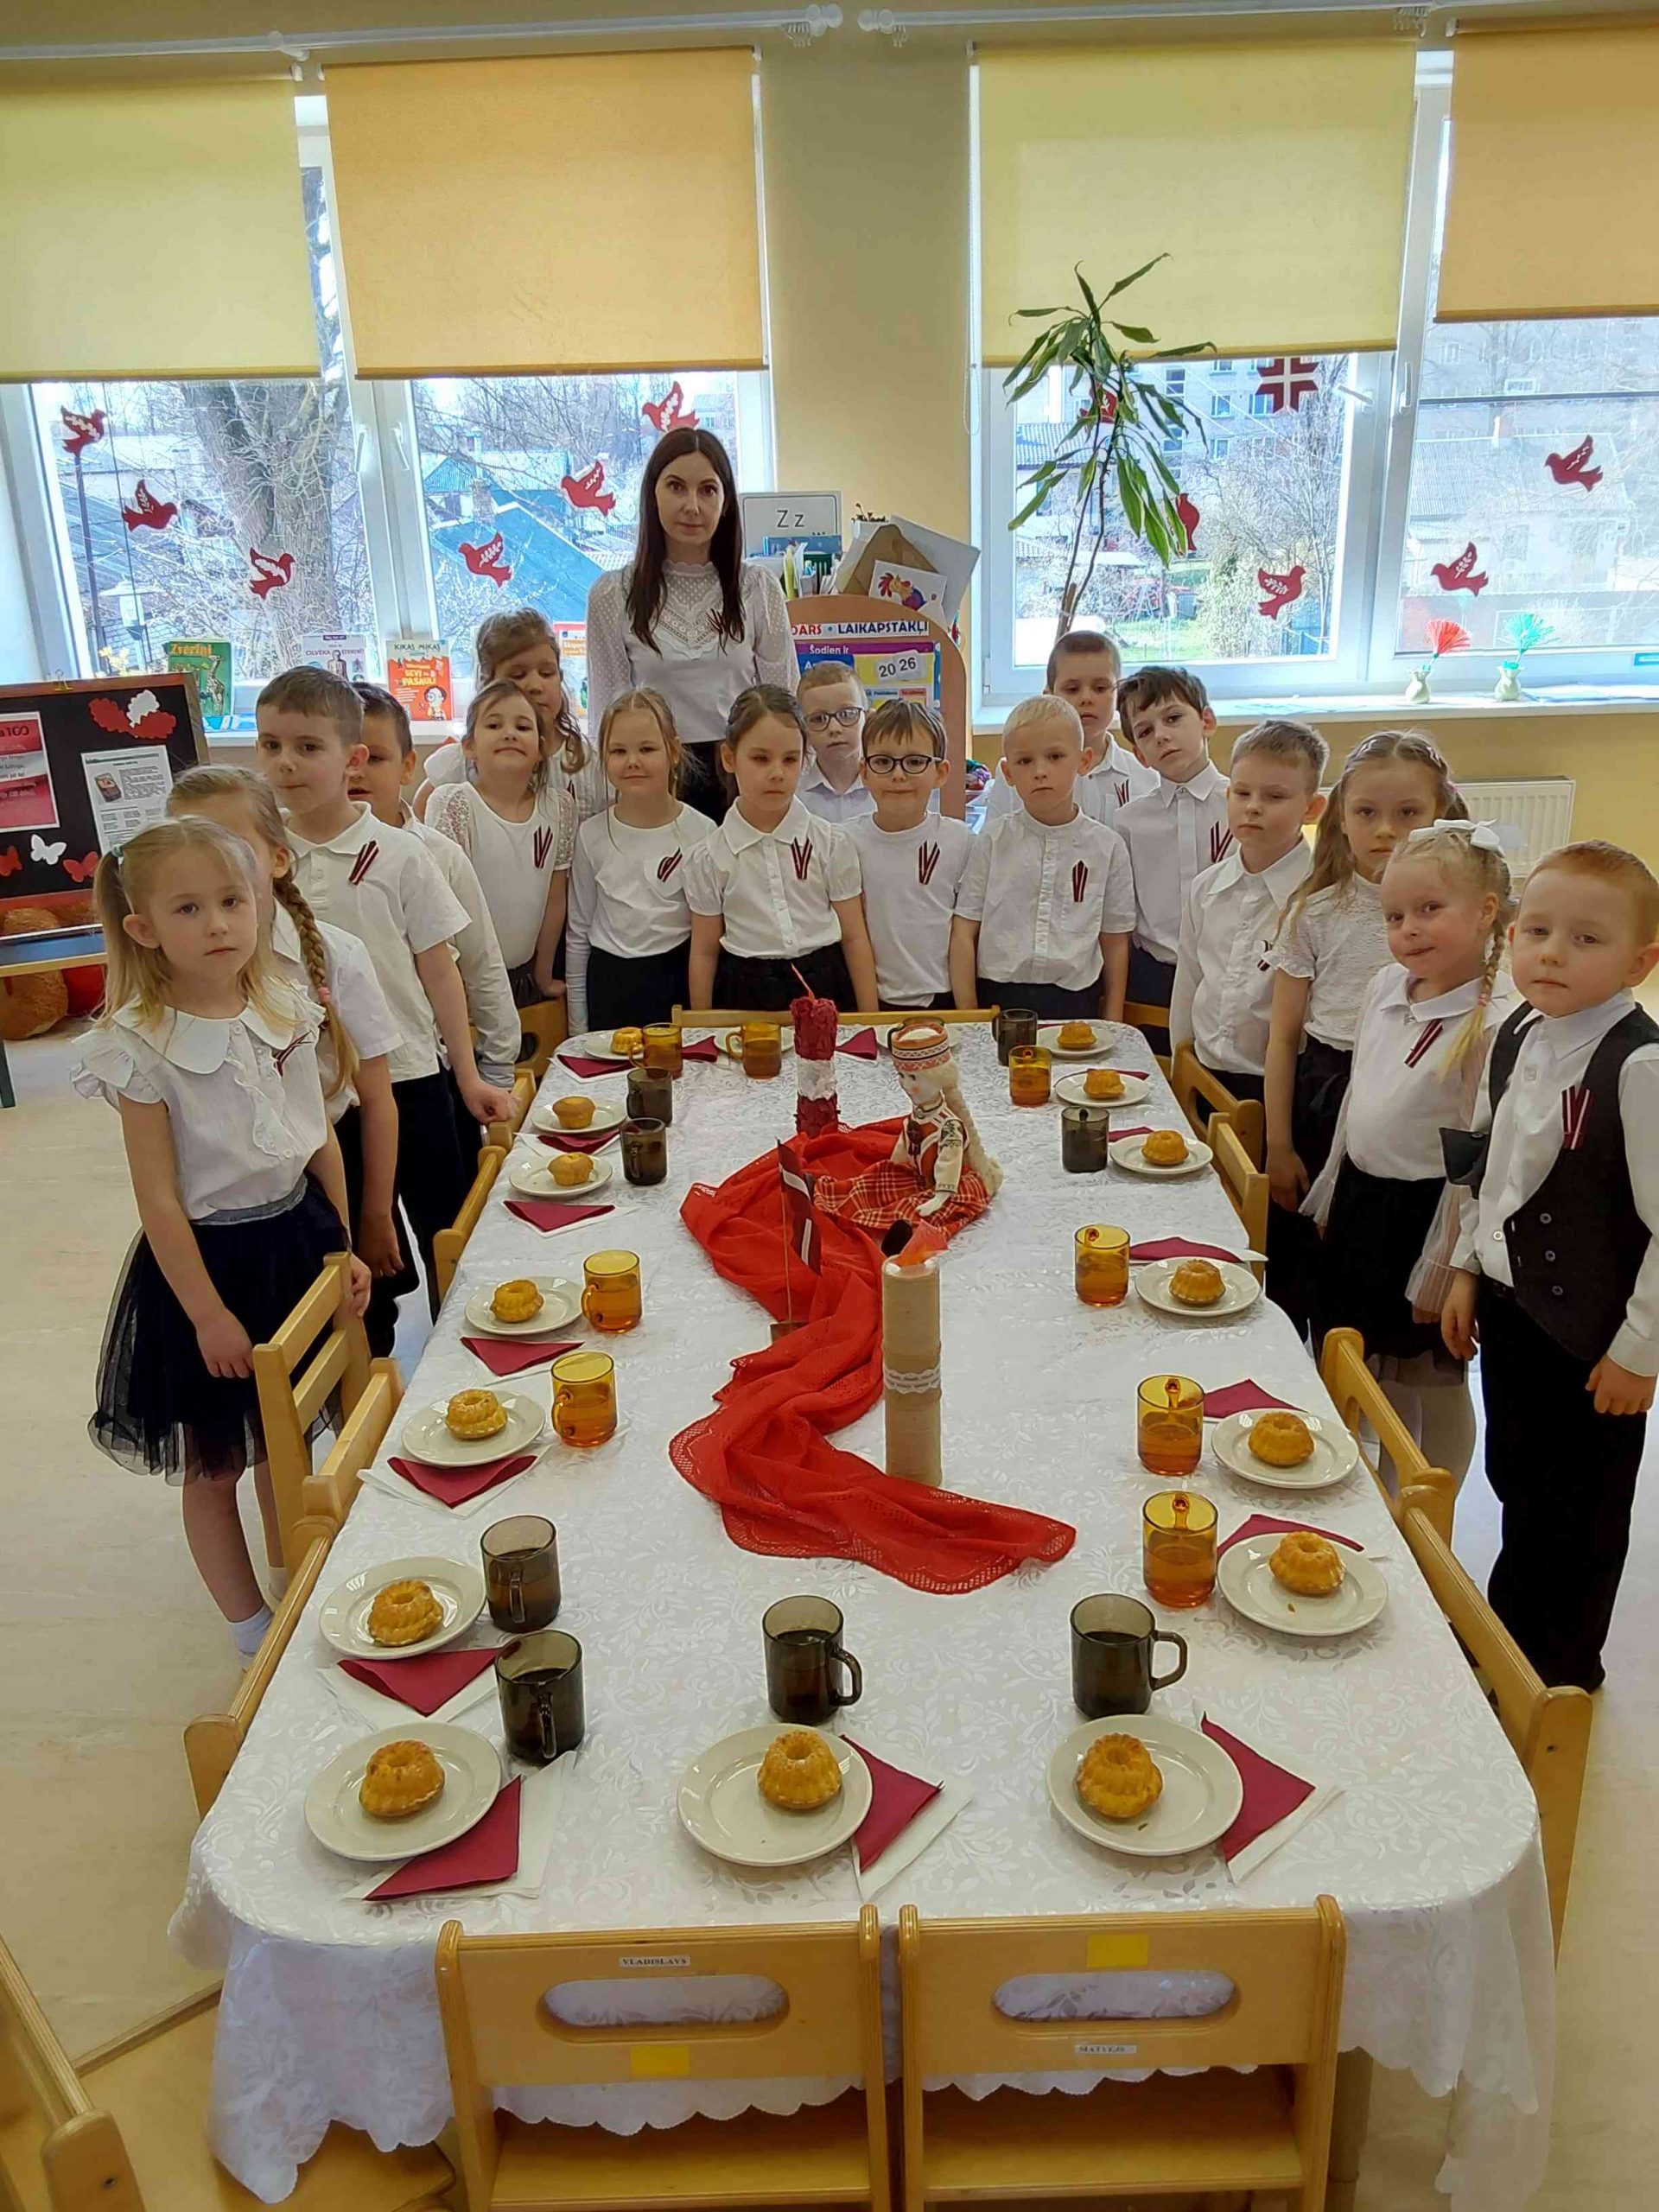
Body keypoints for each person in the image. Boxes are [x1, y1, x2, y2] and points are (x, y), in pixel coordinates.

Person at [74, 818, 371, 1658]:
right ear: (144, 929)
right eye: (189, 909)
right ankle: (249, 1631)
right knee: (215, 1464)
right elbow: (160, 1200)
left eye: (232, 902)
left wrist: (344, 1246)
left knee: (287, 1437)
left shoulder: (283, 1006)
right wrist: (207, 1315)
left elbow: (318, 1139)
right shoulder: (139, 1044)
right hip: (206, 1266)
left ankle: (294, 1581)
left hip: (296, 1239)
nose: (217, 924)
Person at [1441, 841, 1659, 1693]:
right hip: (1516, 1310)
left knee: (1583, 1508)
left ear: (1641, 962)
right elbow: (1490, 1169)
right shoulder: (1519, 1032)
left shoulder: (1638, 1066)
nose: (1553, 953)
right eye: (1537, 931)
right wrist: (1467, 1268)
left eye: (1586, 939)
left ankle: (1563, 1673)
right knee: (1519, 1480)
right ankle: (1512, 1638)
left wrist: (1639, 1350)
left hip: (1596, 1339)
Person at [257, 666, 512, 1313]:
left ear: (352, 758)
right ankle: (371, 1361)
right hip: (322, 1093)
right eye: (271, 745)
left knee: (450, 1234)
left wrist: (469, 1076)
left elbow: (441, 972)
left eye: (307, 747)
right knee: (353, 1255)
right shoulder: (257, 858)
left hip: (412, 1077)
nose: (286, 763)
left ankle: (462, 1349)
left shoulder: (403, 854)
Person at [165, 766, 410, 1358]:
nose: (206, 869)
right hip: (226, 1200)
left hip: (333, 1167)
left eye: (227, 848)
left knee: (358, 1343)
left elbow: (377, 1098)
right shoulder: (171, 981)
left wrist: (375, 1215)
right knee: (257, 1363)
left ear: (277, 858)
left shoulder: (333, 954)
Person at [1303, 821, 1516, 1485]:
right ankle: (1383, 1490)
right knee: (1367, 1365)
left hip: (1427, 1219)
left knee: (1430, 1374)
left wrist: (1443, 1266)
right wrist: (1331, 1189)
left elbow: (1475, 1161)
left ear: (1485, 911)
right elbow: (1359, 1099)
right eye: (1395, 916)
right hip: (1364, 1202)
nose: (1410, 930)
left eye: (1430, 909)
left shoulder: (1492, 1022)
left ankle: (1432, 1502)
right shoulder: (1385, 987)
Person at [1263, 730, 1465, 1335]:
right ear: (1341, 818)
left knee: (1393, 1293)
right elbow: (1283, 1038)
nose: (1386, 831)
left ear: (1441, 815)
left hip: (1419, 1106)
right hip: (1325, 1097)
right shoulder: (1316, 912)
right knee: (1315, 1272)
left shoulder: (1459, 923)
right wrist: (1278, 1145)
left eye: (1408, 813)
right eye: (1368, 813)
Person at [584, 428, 798, 813]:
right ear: (652, 494)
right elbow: (608, 716)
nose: (692, 506)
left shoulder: (758, 588)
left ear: (726, 501)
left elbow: (784, 707)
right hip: (653, 783)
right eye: (676, 487)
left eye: (708, 490)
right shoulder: (612, 595)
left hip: (743, 782)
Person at [349, 683, 520, 1119]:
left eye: (375, 758)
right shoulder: (290, 861)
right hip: (338, 1083)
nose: (356, 772)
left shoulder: (440, 855)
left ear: (407, 766)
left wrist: (497, 1068)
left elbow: (482, 964)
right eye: (345, 757)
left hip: (429, 1071)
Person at [684, 684, 880, 1012]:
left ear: (804, 760)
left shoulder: (831, 843)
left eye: (790, 759)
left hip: (826, 984)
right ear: (729, 758)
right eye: (761, 759)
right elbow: (704, 952)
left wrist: (869, 1019)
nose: (777, 773)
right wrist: (700, 1027)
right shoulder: (708, 857)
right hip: (745, 994)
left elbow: (854, 937)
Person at [1169, 717, 1327, 1105]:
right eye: (1242, 793)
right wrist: (1180, 1071)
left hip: (1281, 1087)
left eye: (1274, 797)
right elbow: (1188, 983)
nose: (1253, 807)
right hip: (1204, 1073)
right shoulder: (1205, 889)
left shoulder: (1320, 900)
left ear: (1311, 808)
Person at [950, 695, 1134, 1022]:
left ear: (1083, 761)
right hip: (997, 997)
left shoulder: (1108, 848)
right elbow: (964, 931)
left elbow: (1115, 942)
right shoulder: (991, 841)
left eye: (1055, 757)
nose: (1040, 772)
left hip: (1076, 1002)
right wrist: (970, 1017)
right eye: (1024, 761)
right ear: (1007, 773)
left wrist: (1113, 1019)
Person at [564, 687, 715, 1033]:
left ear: (673, 751)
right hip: (610, 988)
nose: (632, 761)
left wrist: (704, 1022)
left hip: (679, 981)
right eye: (618, 751)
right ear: (603, 757)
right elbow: (578, 934)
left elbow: (709, 938)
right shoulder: (591, 835)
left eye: (647, 749)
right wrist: (577, 1028)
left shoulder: (702, 832)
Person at [424, 679, 577, 1003]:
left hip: (525, 977)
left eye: (522, 726)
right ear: (469, 746)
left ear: (541, 749)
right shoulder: (453, 804)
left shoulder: (559, 808)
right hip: (466, 985)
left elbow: (555, 899)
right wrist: (455, 988)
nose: (509, 733)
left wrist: (543, 974)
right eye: (494, 725)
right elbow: (440, 906)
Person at [1112, 665, 1230, 1015]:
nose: (1161, 736)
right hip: (1154, 976)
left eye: (1173, 718)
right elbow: (1123, 914)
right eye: (1145, 731)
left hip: (1230, 973)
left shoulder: (1242, 806)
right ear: (1139, 754)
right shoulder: (1128, 822)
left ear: (1207, 721)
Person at [416, 608, 605, 823]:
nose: (535, 686)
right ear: (489, 684)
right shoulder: (465, 760)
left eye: (546, 673)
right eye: (518, 675)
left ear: (560, 677)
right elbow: (422, 810)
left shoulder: (588, 762)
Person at [845, 700, 970, 1010]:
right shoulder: (844, 842)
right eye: (883, 762)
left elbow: (967, 936)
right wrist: (869, 1015)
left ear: (940, 772)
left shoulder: (961, 841)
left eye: (914, 762)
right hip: (871, 1002)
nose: (898, 775)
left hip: (944, 1000)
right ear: (864, 772)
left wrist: (969, 1015)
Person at [982, 629, 1156, 827]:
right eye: (1072, 689)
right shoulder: (1017, 773)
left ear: (1118, 694)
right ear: (1049, 696)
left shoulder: (1145, 778)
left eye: (1100, 688)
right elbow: (995, 840)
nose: (1087, 699)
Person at [796, 660, 876, 825]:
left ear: (867, 719)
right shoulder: (795, 797)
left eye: (847, 714)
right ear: (803, 728)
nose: (834, 728)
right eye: (818, 719)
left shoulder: (888, 789)